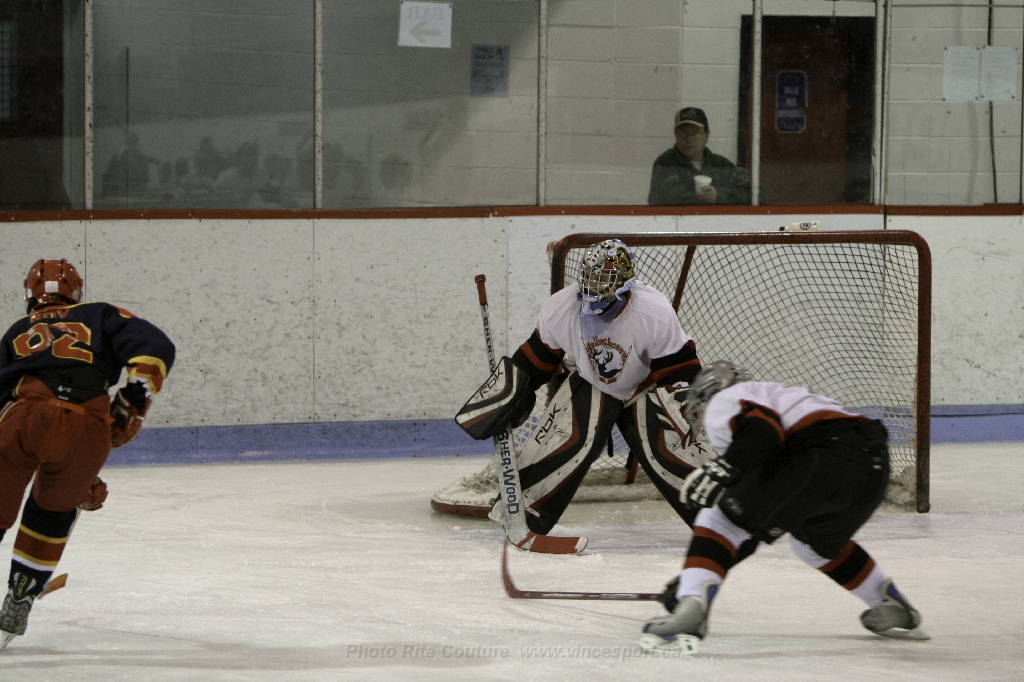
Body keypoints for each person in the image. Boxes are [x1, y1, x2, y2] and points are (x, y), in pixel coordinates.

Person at [455, 240, 751, 551]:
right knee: (564, 437)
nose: (593, 286)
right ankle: (524, 514)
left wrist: (687, 410)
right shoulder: (561, 308)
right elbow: (535, 360)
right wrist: (511, 392)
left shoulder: (652, 312)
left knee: (676, 446)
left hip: (645, 386)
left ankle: (723, 515)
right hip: (592, 383)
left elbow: (680, 370)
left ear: (625, 280)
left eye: (603, 279)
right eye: (590, 277)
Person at [640, 361, 928, 655]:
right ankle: (887, 601)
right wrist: (697, 572)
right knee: (812, 544)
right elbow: (750, 530)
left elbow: (764, 432)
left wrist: (724, 467)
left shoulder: (725, 401)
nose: (701, 422)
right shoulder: (772, 395)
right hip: (872, 470)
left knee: (717, 520)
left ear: (707, 396)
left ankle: (690, 614)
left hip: (823, 458)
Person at [0, 259, 175, 652]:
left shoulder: (16, 330)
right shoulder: (99, 315)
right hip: (86, 427)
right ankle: (21, 594)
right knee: (52, 511)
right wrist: (133, 399)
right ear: (76, 293)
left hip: (22, 417)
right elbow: (156, 347)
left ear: (29, 295)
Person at [647, 107, 766, 206]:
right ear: (676, 136)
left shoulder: (721, 164)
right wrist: (709, 199)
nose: (689, 139)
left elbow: (759, 193)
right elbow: (670, 198)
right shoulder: (665, 163)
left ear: (706, 136)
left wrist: (718, 195)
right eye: (683, 133)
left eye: (695, 133)